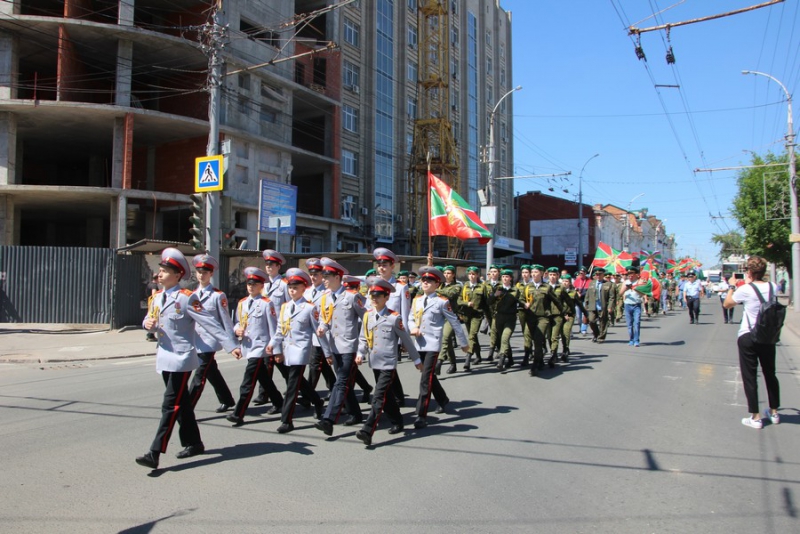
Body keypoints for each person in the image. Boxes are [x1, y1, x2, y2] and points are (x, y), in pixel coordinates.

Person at [136, 248, 240, 470]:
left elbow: (211, 323)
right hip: (164, 357)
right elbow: (149, 320)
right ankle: (194, 442)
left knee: (170, 404)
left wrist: (231, 345)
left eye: (164, 271)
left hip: (181, 359)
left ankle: (154, 452)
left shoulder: (186, 298)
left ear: (177, 275)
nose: (159, 274)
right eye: (160, 270)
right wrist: (148, 325)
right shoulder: (156, 297)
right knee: (182, 403)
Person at [354, 279, 422, 446]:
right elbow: (363, 337)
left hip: (388, 363)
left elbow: (406, 339)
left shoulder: (393, 318)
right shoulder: (367, 315)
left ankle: (367, 430)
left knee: (378, 396)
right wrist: (360, 353)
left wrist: (417, 359)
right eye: (372, 296)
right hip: (374, 362)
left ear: (386, 297)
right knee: (387, 396)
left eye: (378, 296)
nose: (374, 299)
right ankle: (397, 420)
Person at [723, 256, 781, 429]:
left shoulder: (745, 289)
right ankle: (774, 412)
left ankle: (755, 417)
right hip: (768, 336)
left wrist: (732, 286)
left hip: (748, 335)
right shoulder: (773, 286)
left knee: (750, 376)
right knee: (770, 373)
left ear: (749, 271)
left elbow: (727, 304)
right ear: (763, 271)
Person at [266, 268, 327, 434]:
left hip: (301, 349)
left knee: (292, 384)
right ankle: (316, 400)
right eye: (290, 288)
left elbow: (318, 332)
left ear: (303, 288)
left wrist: (327, 353)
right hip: (287, 348)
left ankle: (287, 420)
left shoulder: (309, 308)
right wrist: (273, 343)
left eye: (296, 288)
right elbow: (280, 329)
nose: (292, 290)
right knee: (299, 381)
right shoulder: (285, 307)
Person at [408, 266, 469, 429]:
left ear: (437, 284)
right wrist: (412, 327)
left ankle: (421, 414)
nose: (425, 283)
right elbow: (410, 318)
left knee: (425, 379)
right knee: (428, 376)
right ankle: (442, 399)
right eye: (424, 280)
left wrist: (463, 342)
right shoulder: (416, 300)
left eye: (430, 281)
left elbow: (455, 321)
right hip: (419, 343)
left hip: (433, 344)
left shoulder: (442, 301)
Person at [314, 259, 368, 436]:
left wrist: (362, 347)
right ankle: (355, 413)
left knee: (341, 383)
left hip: (350, 346)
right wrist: (322, 326)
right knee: (344, 384)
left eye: (327, 276)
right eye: (324, 276)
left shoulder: (352, 296)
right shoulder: (325, 298)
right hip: (334, 346)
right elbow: (324, 318)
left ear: (338, 277)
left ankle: (328, 419)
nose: (324, 279)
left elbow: (367, 319)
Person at [227, 267, 285, 427]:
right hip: (247, 345)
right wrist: (236, 329)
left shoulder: (267, 304)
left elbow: (275, 329)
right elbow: (238, 322)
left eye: (255, 284)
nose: (251, 286)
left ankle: (238, 413)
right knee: (264, 379)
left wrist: (277, 350)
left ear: (262, 286)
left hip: (261, 347)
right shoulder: (242, 303)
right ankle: (279, 401)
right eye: (249, 284)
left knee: (248, 381)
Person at [188, 254, 237, 413]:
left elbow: (226, 321)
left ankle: (186, 409)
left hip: (210, 342)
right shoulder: (189, 295)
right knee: (212, 373)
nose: (201, 275)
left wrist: (232, 344)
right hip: (195, 341)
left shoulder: (217, 295)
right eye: (199, 272)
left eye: (205, 272)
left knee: (199, 377)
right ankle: (227, 400)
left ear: (211, 274)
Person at [304, 258, 336, 397]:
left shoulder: (328, 292)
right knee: (321, 365)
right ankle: (335, 387)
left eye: (316, 274)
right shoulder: (306, 291)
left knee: (315, 364)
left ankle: (308, 395)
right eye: (311, 274)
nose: (313, 277)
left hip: (323, 333)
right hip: (310, 334)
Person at [488, 268, 521, 371]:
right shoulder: (497, 289)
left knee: (505, 338)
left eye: (507, 276)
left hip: (510, 318)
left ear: (511, 278)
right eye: (503, 276)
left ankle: (501, 359)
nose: (505, 278)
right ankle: (510, 359)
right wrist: (494, 295)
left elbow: (515, 301)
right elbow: (489, 302)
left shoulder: (515, 290)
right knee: (503, 339)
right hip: (499, 317)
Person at [458, 266, 487, 371]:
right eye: (470, 274)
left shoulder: (482, 287)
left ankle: (468, 358)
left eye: (474, 274)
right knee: (472, 336)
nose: (471, 276)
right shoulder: (464, 286)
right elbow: (459, 301)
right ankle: (478, 356)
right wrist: (467, 303)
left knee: (472, 335)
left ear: (477, 275)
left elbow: (486, 302)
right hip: (466, 315)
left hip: (477, 315)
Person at [437, 265, 462, 374]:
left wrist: (436, 289)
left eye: (448, 273)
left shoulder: (457, 286)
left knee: (446, 338)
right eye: (445, 273)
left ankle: (439, 361)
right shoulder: (440, 285)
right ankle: (453, 364)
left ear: (453, 275)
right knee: (448, 343)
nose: (446, 275)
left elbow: (451, 295)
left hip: (451, 317)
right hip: (439, 316)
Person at [622, 266, 645, 347]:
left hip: (636, 305)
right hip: (627, 304)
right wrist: (625, 288)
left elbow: (643, 294)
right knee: (629, 324)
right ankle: (631, 339)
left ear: (636, 274)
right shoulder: (625, 282)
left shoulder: (639, 282)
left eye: (632, 273)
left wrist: (634, 288)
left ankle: (636, 340)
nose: (630, 275)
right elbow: (620, 293)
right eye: (628, 273)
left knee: (637, 323)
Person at [572, 266, 591, 336]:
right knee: (578, 316)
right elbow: (574, 288)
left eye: (582, 273)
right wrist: (577, 292)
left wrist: (582, 294)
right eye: (580, 273)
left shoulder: (589, 281)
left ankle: (584, 329)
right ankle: (580, 327)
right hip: (578, 301)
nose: (581, 274)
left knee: (584, 315)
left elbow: (589, 291)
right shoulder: (577, 281)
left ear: (585, 273)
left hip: (585, 300)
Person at [145, 274, 159, 341]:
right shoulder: (154, 285)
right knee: (153, 318)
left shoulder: (149, 284)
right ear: (157, 279)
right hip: (153, 304)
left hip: (149, 302)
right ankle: (150, 335)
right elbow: (154, 294)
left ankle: (150, 335)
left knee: (150, 317)